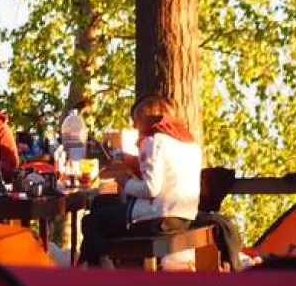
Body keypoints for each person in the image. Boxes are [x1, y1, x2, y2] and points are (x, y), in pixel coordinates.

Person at [78, 95, 203, 268]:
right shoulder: (189, 144)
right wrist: (136, 163)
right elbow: (169, 175)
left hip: (159, 218)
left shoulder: (154, 140)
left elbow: (152, 188)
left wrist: (125, 182)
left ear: (146, 118)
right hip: (183, 216)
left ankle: (98, 277)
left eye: (136, 120)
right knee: (102, 207)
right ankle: (106, 266)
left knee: (92, 222)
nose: (135, 126)